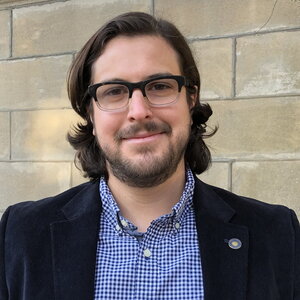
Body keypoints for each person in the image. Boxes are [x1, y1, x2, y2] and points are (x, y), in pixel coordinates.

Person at [0, 11, 299, 300]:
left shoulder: (274, 233)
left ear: (191, 99)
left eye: (159, 86)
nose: (139, 111)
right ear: (90, 113)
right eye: (114, 91)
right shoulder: (22, 234)